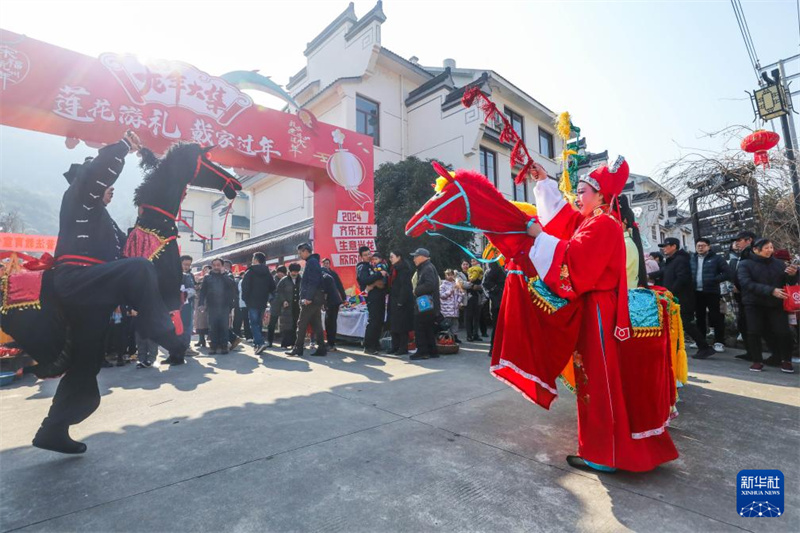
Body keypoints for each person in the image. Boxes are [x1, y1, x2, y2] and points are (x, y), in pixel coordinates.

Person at [34, 131, 187, 455]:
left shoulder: (105, 220)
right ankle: (160, 332)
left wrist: (154, 225)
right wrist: (120, 148)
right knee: (138, 270)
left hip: (92, 296)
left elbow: (129, 248)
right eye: (106, 186)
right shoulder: (78, 199)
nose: (111, 190)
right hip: (76, 279)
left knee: (86, 364)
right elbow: (94, 177)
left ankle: (53, 429)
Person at [525, 157, 678, 472]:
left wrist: (538, 237)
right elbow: (565, 221)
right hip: (599, 308)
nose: (577, 197)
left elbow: (573, 260)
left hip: (599, 310)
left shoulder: (602, 224)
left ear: (601, 195)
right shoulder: (596, 221)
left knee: (597, 380)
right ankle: (608, 448)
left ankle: (604, 453)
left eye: (582, 191)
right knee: (596, 379)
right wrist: (544, 183)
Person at [737, 238, 798, 373]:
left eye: (771, 247)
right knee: (754, 332)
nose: (770, 250)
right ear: (755, 250)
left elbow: (788, 282)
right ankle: (757, 361)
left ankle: (786, 361)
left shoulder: (779, 264)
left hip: (776, 304)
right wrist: (771, 291)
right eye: (766, 248)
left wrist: (793, 275)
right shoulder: (745, 264)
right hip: (754, 304)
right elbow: (746, 283)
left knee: (783, 332)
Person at [650, 237, 716, 359]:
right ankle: (678, 347)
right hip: (674, 297)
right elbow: (663, 272)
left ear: (674, 246)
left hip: (682, 298)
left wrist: (670, 292)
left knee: (686, 323)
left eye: (666, 246)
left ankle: (704, 347)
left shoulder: (681, 260)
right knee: (676, 323)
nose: (663, 249)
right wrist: (646, 276)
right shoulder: (671, 260)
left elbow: (682, 278)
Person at [286, 243, 326, 357]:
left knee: (301, 323)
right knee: (317, 324)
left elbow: (313, 281)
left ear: (305, 251)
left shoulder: (312, 262)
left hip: (311, 299)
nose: (299, 255)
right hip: (316, 299)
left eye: (300, 252)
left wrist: (308, 297)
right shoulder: (313, 262)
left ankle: (298, 348)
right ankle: (322, 348)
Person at [690, 238, 729, 352]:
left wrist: (714, 280)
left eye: (703, 245)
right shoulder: (692, 259)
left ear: (709, 247)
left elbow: (727, 272)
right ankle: (701, 341)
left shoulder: (716, 258)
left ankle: (719, 342)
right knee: (699, 317)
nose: (700, 247)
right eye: (698, 245)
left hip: (712, 291)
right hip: (696, 292)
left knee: (716, 317)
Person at [198, 258, 237, 355]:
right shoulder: (207, 277)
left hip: (224, 305)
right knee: (213, 327)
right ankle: (213, 346)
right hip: (212, 306)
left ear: (222, 266)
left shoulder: (228, 275)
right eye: (214, 265)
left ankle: (224, 346)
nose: (216, 267)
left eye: (218, 265)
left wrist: (223, 274)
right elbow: (203, 292)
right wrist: (201, 304)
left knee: (224, 326)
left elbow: (232, 286)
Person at [729, 231, 757, 360]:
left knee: (751, 325)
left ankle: (757, 354)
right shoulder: (743, 254)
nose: (736, 243)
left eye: (739, 240)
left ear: (749, 240)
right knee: (743, 324)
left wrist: (739, 286)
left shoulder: (752, 253)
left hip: (751, 295)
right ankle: (751, 352)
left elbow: (751, 275)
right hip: (742, 295)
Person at [241, 252, 276, 355]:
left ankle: (260, 343)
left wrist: (245, 299)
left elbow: (245, 287)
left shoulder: (250, 272)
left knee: (254, 323)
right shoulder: (267, 272)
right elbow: (272, 287)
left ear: (255, 260)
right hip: (263, 301)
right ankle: (257, 345)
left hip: (252, 301)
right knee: (258, 323)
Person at [410, 248, 440, 360]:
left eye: (415, 257)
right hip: (429, 304)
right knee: (428, 328)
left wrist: (416, 290)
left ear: (422, 257)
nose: (413, 259)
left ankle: (422, 351)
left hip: (426, 304)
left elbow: (429, 285)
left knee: (420, 327)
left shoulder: (427, 268)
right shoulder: (427, 267)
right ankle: (432, 351)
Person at [357, 246, 387, 355]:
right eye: (365, 255)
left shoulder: (373, 265)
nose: (368, 256)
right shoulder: (362, 267)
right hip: (372, 297)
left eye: (369, 254)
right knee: (373, 320)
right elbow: (364, 280)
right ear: (360, 257)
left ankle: (375, 344)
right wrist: (379, 275)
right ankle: (368, 346)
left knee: (379, 320)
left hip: (379, 295)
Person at [387, 251, 414, 355]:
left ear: (399, 257)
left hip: (402, 301)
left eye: (392, 257)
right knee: (393, 325)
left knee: (402, 326)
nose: (390, 259)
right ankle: (395, 346)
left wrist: (401, 301)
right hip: (393, 299)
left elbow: (405, 286)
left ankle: (403, 348)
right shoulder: (393, 268)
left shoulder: (403, 269)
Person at [321, 258, 346, 351]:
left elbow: (339, 285)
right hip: (334, 301)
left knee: (330, 322)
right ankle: (331, 343)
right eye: (325, 263)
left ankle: (331, 343)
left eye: (328, 263)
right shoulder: (326, 274)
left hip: (331, 301)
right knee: (331, 322)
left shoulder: (327, 275)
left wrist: (343, 297)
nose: (326, 265)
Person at [274, 263, 302, 348]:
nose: (295, 274)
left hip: (298, 306)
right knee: (287, 325)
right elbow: (278, 292)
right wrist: (283, 300)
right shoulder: (284, 280)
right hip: (287, 306)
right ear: (290, 271)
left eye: (296, 272)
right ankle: (285, 343)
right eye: (293, 272)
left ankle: (295, 343)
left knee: (296, 324)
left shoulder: (301, 279)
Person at [483, 260, 506, 354]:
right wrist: (497, 290)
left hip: (503, 300)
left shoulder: (504, 266)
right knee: (497, 326)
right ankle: (494, 349)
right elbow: (486, 284)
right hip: (497, 302)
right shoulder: (494, 267)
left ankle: (499, 350)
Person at [223, 260, 243, 350]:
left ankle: (232, 338)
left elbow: (232, 291)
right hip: (223, 302)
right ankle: (231, 339)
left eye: (225, 265)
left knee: (222, 323)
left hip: (226, 303)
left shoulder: (229, 275)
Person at [267, 266, 288, 347]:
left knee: (284, 324)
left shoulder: (287, 280)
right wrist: (271, 300)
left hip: (285, 304)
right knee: (272, 323)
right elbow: (268, 291)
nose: (280, 273)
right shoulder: (273, 280)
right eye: (278, 272)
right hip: (275, 304)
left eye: (281, 272)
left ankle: (284, 343)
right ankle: (269, 341)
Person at [439, 269, 462, 342]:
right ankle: (446, 338)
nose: (450, 276)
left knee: (455, 324)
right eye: (448, 275)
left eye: (451, 275)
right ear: (445, 276)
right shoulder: (443, 285)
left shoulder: (456, 284)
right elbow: (442, 295)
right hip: (447, 309)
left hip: (455, 309)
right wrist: (450, 291)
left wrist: (458, 302)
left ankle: (455, 337)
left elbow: (460, 294)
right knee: (447, 324)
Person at [179, 255, 196, 353]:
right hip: (177, 305)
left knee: (187, 326)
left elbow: (192, 289)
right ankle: (182, 346)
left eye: (189, 265)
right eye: (185, 264)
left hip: (188, 304)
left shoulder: (190, 275)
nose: (187, 267)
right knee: (181, 326)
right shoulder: (176, 275)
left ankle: (186, 346)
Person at [464, 262, 484, 342]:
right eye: (463, 264)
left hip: (477, 297)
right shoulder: (459, 274)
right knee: (468, 317)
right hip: (467, 298)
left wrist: (479, 287)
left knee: (476, 317)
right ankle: (469, 335)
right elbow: (461, 284)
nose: (465, 266)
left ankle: (476, 334)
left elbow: (482, 284)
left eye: (467, 264)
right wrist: (472, 286)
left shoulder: (475, 272)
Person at [194, 265, 211, 348]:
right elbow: (195, 288)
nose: (205, 271)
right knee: (199, 323)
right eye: (204, 270)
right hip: (198, 302)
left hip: (207, 302)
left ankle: (209, 340)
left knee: (206, 323)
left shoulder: (210, 279)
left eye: (207, 269)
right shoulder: (200, 279)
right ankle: (201, 340)